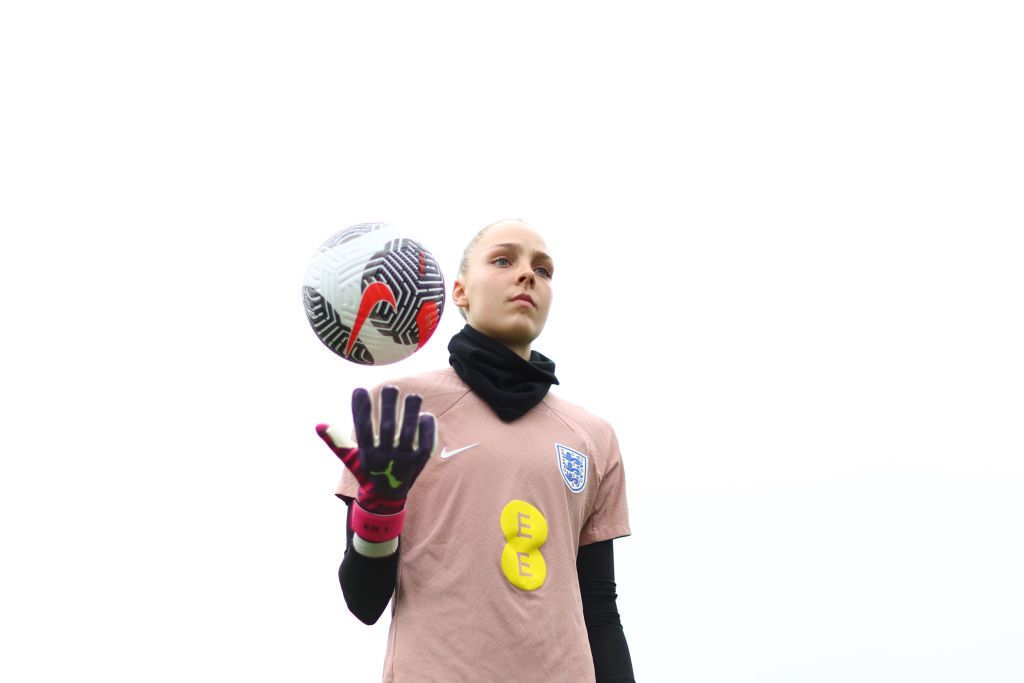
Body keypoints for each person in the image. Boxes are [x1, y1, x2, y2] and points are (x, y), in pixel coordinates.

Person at [316, 219, 635, 682]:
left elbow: (600, 611)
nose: (527, 275)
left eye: (543, 270)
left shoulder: (592, 436)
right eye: (503, 260)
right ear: (459, 292)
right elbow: (364, 602)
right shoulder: (400, 409)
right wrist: (380, 510)